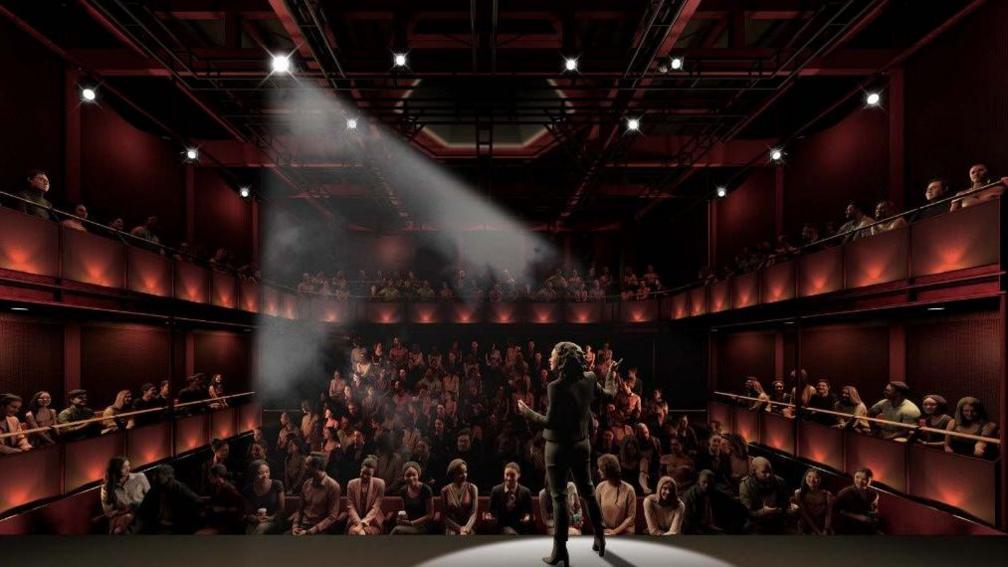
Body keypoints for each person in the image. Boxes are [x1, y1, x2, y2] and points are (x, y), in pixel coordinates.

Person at [517, 342, 619, 565]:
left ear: (562, 359)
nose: (549, 359)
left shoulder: (556, 386)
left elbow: (551, 422)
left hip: (558, 447)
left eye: (552, 355)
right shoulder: (590, 378)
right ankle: (600, 538)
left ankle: (560, 551)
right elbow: (610, 395)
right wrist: (611, 375)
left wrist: (527, 413)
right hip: (582, 445)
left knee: (559, 498)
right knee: (588, 492)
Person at [132, 464, 204, 534]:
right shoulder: (155, 490)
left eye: (158, 475)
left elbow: (196, 501)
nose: (154, 478)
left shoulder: (179, 488)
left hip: (176, 527)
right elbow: (143, 509)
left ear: (168, 477)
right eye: (154, 475)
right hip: (157, 525)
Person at [292, 454, 341, 535]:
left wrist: (311, 531)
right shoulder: (307, 484)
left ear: (316, 467)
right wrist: (295, 526)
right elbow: (300, 509)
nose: (304, 467)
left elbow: (332, 517)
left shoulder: (333, 486)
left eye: (307, 465)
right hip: (303, 526)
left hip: (320, 529)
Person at [738, 456, 790, 534]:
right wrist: (763, 512)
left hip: (777, 520)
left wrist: (780, 509)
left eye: (770, 471)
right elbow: (747, 512)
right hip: (756, 523)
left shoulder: (779, 482)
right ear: (754, 471)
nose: (768, 475)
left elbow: (785, 501)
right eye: (764, 472)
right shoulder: (745, 486)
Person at [100, 456, 150, 534]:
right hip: (122, 516)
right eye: (124, 467)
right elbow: (108, 513)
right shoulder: (107, 488)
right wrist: (124, 510)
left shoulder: (140, 477)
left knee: (138, 512)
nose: (128, 469)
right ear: (115, 470)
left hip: (141, 510)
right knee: (129, 518)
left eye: (128, 465)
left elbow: (151, 498)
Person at [486, 462, 534, 535]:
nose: (508, 478)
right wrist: (489, 516)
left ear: (519, 475)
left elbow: (529, 512)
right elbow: (490, 511)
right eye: (506, 475)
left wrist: (527, 517)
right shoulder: (496, 490)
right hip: (500, 527)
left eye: (512, 475)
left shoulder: (525, 492)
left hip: (521, 528)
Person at [595, 453, 637, 536]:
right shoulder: (600, 487)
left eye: (600, 468)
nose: (598, 470)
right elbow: (596, 512)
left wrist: (615, 531)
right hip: (606, 531)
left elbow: (631, 517)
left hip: (625, 532)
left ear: (608, 470)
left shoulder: (629, 490)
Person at [242, 460, 286, 535]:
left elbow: (281, 509)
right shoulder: (248, 489)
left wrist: (271, 517)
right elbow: (247, 511)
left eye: (267, 472)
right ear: (253, 475)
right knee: (249, 531)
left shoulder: (277, 484)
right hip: (256, 521)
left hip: (273, 520)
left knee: (260, 529)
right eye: (260, 473)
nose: (265, 475)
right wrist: (254, 518)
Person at [346, 456, 386, 535]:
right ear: (360, 470)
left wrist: (362, 524)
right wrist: (359, 523)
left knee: (362, 534)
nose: (365, 476)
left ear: (373, 473)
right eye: (363, 472)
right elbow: (350, 506)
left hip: (373, 521)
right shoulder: (351, 484)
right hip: (355, 520)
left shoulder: (380, 484)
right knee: (353, 532)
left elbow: (376, 507)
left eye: (368, 474)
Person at [391, 461, 434, 535]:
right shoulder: (403, 490)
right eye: (408, 475)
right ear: (404, 477)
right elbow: (404, 510)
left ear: (418, 475)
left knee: (397, 530)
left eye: (414, 475)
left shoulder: (426, 490)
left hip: (423, 525)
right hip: (409, 523)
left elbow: (430, 515)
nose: (411, 478)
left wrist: (412, 523)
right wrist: (401, 519)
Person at [833, 467, 879, 534]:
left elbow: (875, 508)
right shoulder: (844, 493)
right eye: (857, 477)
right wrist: (858, 517)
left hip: (866, 527)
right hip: (847, 526)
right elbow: (837, 511)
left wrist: (875, 513)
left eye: (864, 479)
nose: (860, 481)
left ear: (870, 480)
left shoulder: (874, 494)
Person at [440, 458, 478, 535]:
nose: (464, 475)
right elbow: (445, 517)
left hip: (469, 526)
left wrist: (466, 529)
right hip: (452, 527)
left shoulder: (472, 488)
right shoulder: (445, 490)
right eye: (460, 473)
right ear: (453, 474)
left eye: (465, 472)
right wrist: (459, 528)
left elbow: (474, 514)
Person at [204, 463, 245, 534]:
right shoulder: (216, 486)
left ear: (217, 476)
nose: (208, 477)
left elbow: (239, 510)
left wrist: (223, 509)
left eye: (210, 475)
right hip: (218, 521)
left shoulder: (230, 490)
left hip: (227, 525)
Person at [681, 470, 725, 534]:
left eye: (709, 483)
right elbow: (687, 520)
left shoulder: (715, 493)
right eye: (704, 482)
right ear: (698, 481)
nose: (706, 485)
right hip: (696, 529)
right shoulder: (690, 496)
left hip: (712, 527)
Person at [793, 468, 832, 535]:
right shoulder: (799, 493)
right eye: (809, 476)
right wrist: (818, 532)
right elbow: (805, 515)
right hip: (805, 523)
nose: (812, 480)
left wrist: (825, 530)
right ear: (805, 477)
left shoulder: (827, 494)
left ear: (820, 479)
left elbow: (828, 514)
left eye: (816, 477)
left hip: (821, 523)